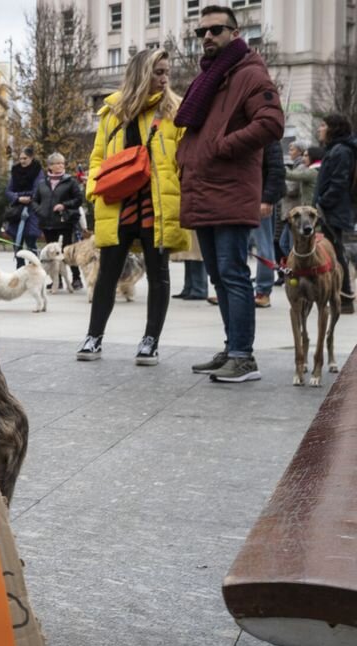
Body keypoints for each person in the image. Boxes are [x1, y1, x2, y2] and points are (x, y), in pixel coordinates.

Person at [177, 5, 283, 383]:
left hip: (231, 190)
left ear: (235, 34)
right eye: (201, 32)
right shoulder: (213, 78)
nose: (207, 37)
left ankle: (243, 356)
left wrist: (222, 146)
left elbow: (271, 123)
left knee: (234, 275)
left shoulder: (250, 73)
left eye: (216, 30)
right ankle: (232, 347)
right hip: (206, 190)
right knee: (220, 278)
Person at [77, 48, 189, 366]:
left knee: (158, 273)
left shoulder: (175, 111)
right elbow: (98, 156)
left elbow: (184, 159)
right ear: (141, 74)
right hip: (118, 201)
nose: (165, 78)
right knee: (107, 273)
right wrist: (94, 189)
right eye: (158, 72)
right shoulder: (113, 112)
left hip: (157, 204)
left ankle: (150, 341)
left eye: (167, 72)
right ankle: (93, 336)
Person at [315, 113, 356, 313]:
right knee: (335, 253)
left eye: (323, 125)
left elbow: (339, 183)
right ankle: (340, 296)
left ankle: (345, 298)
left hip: (334, 211)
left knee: (336, 254)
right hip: (333, 210)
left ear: (334, 128)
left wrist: (322, 202)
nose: (319, 129)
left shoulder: (340, 151)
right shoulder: (336, 149)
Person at [34, 152, 85, 290]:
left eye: (62, 163)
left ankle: (76, 278)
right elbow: (34, 201)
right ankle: (58, 280)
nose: (61, 166)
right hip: (47, 223)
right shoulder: (41, 183)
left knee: (67, 252)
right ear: (50, 166)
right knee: (52, 254)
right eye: (57, 163)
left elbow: (79, 199)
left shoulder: (70, 181)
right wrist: (40, 211)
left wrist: (65, 205)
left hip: (65, 221)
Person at [249, 140, 285, 307]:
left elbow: (277, 170)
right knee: (236, 246)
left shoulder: (269, 136)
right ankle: (234, 289)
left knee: (264, 245)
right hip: (242, 195)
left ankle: (263, 291)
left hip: (260, 197)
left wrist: (267, 199)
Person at [4, 147, 43, 265]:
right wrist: (19, 198)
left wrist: (21, 196)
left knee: (31, 244)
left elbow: (37, 191)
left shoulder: (38, 171)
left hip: (32, 211)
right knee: (17, 244)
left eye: (25, 158)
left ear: (31, 157)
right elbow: (8, 191)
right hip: (17, 212)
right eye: (20, 158)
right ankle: (20, 270)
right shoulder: (15, 171)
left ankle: (34, 269)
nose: (22, 161)